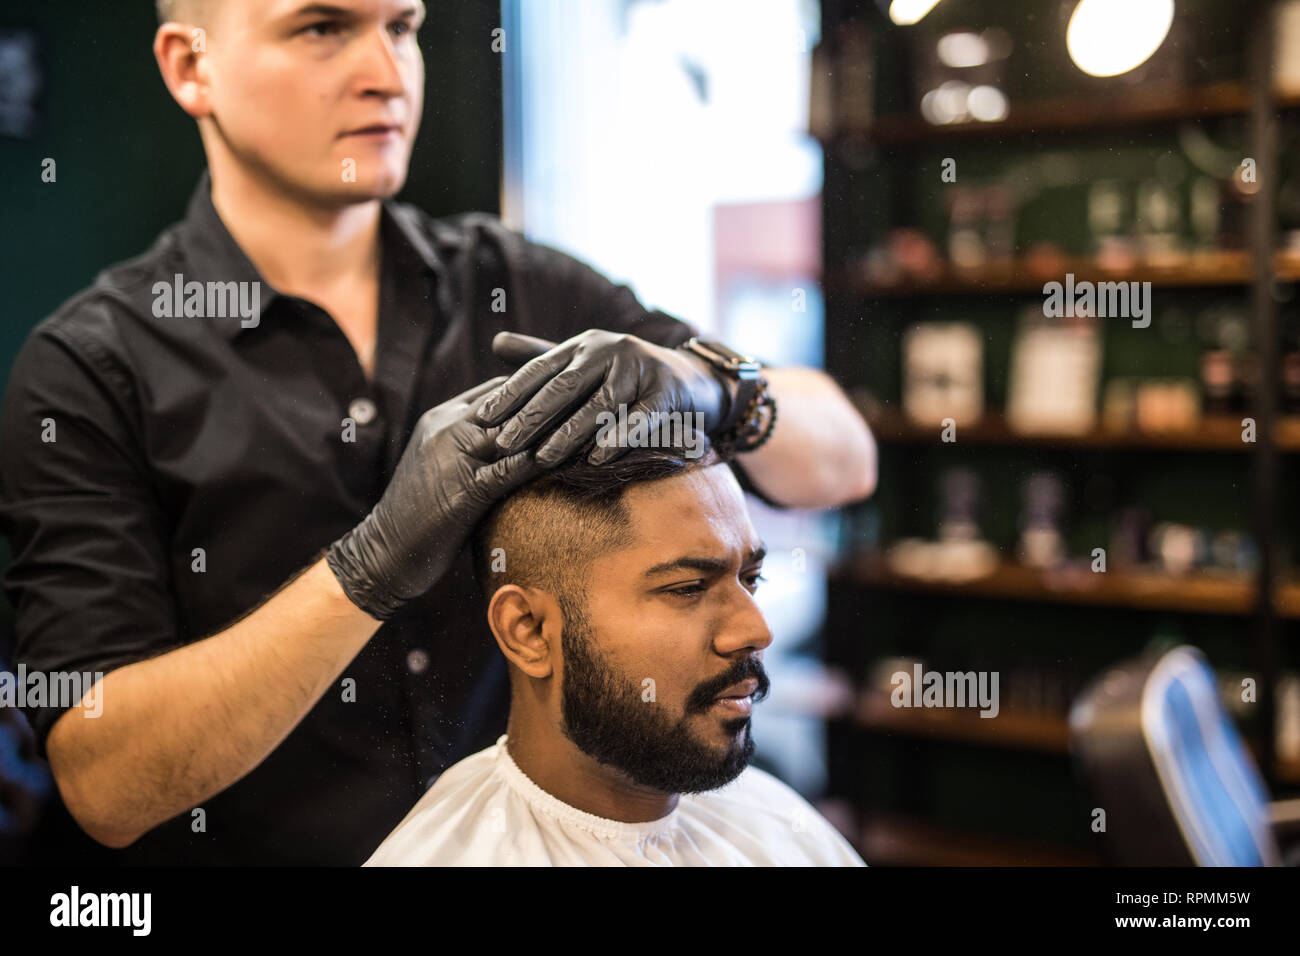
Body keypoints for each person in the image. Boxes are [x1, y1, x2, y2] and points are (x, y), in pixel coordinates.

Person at [0, 0, 876, 864]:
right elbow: (103, 784)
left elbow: (844, 459)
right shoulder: (92, 370)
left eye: (402, 28)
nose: (385, 74)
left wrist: (712, 386)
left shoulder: (526, 292)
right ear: (192, 67)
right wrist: (368, 566)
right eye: (321, 28)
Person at [365, 440, 866, 866]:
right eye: (688, 588)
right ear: (530, 631)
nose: (756, 630)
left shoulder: (780, 825)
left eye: (751, 579)